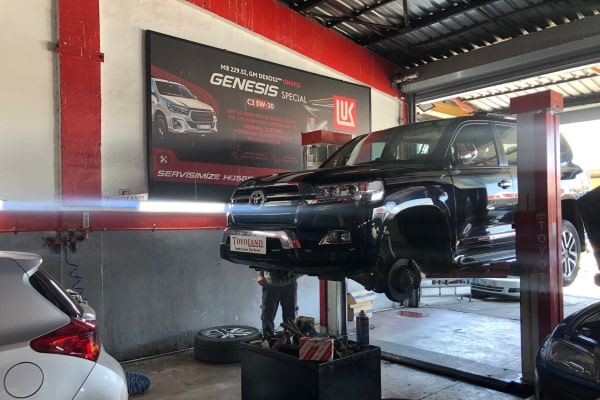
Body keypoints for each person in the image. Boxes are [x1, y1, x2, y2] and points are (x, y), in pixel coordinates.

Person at [256, 268, 298, 338]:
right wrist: (260, 275)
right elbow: (261, 261)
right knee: (268, 314)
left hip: (290, 282)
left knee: (290, 314)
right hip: (271, 283)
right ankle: (268, 339)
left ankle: (289, 338)